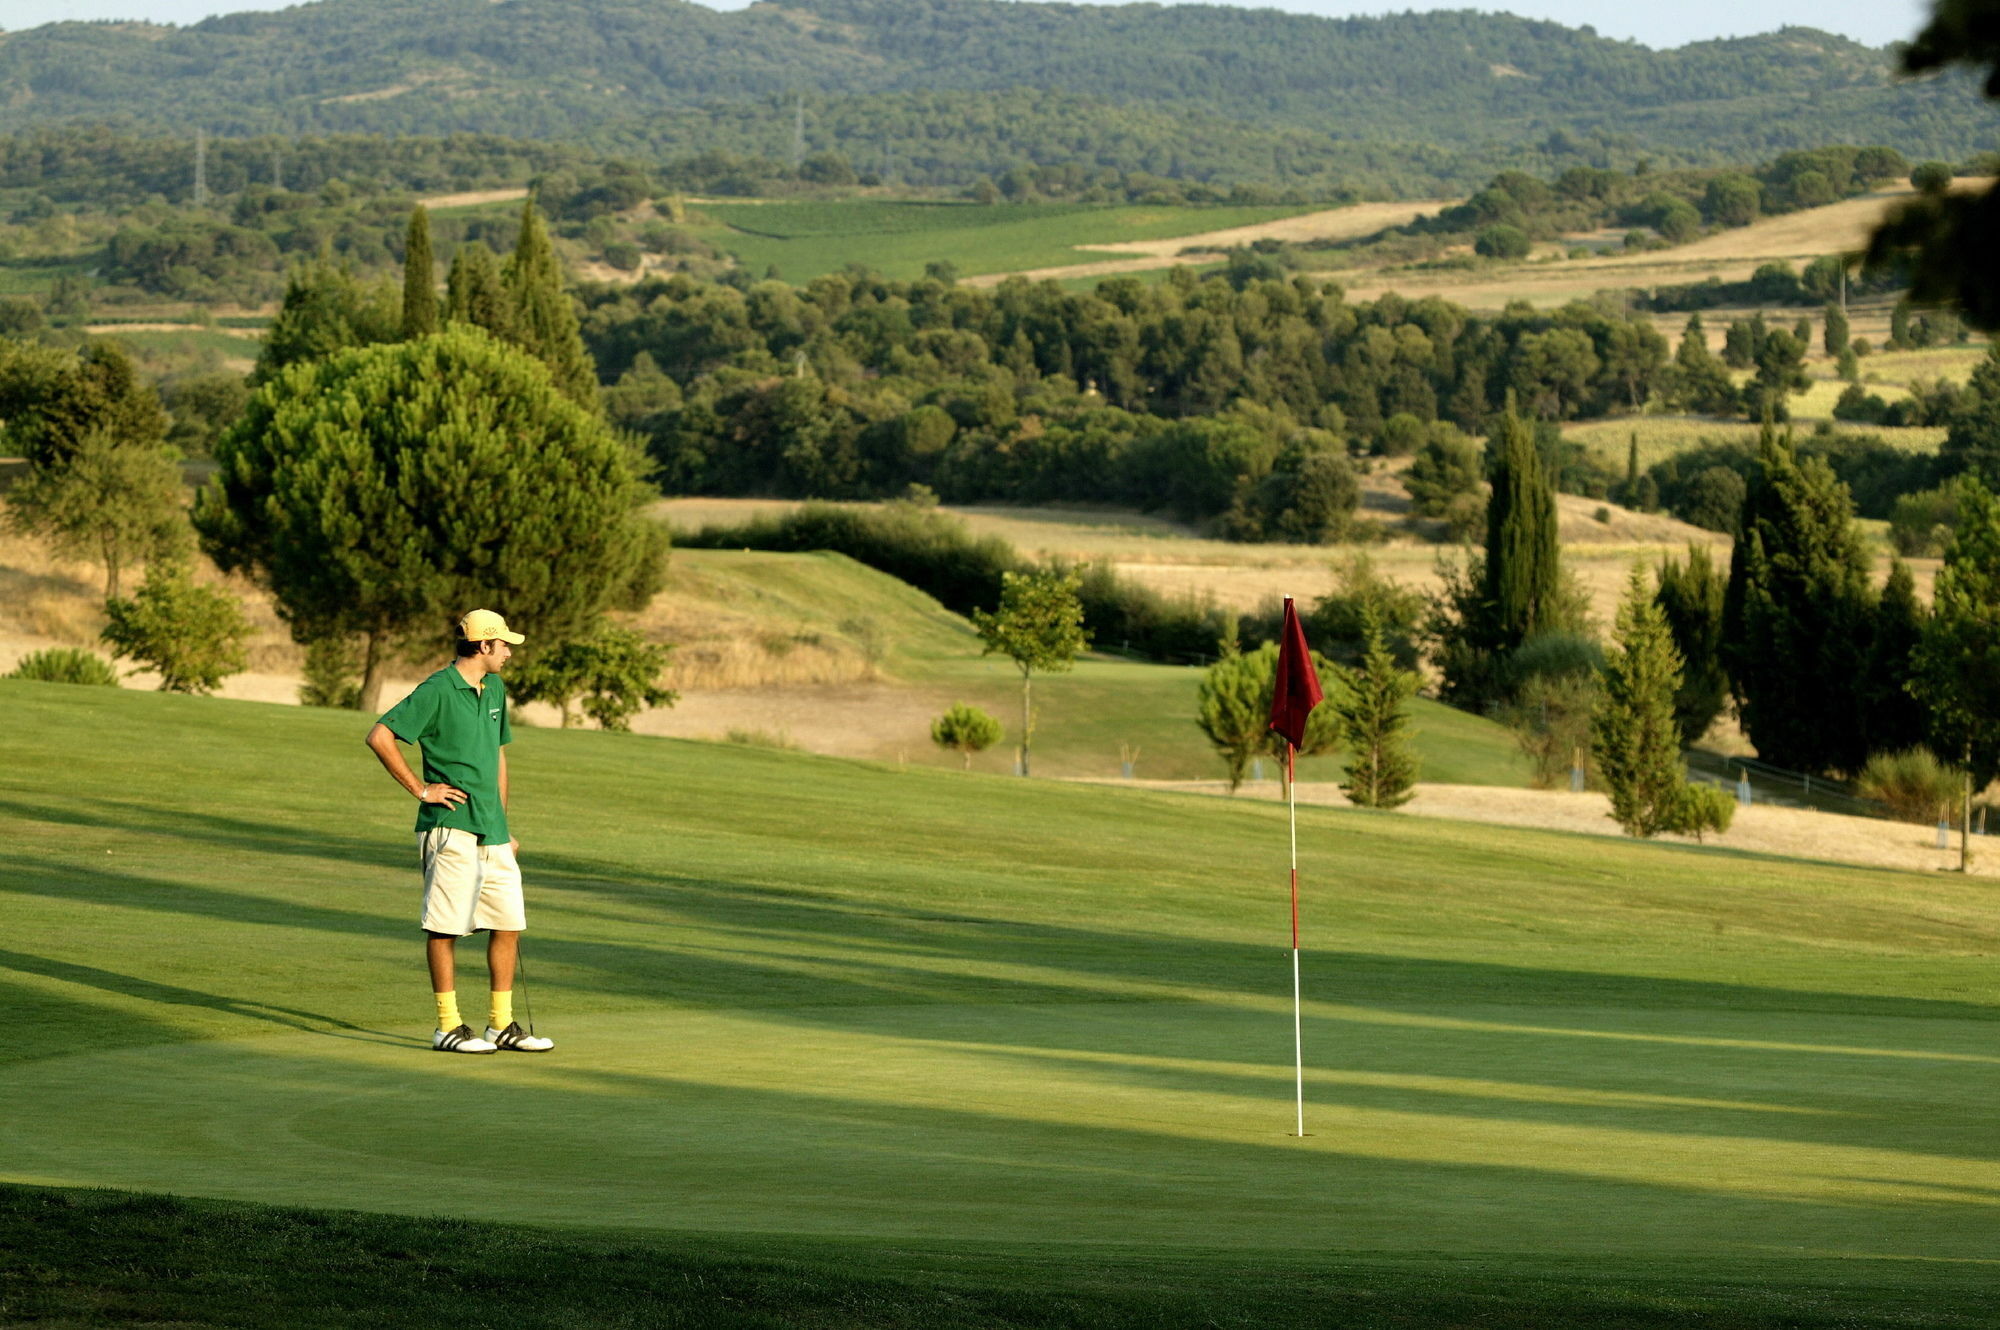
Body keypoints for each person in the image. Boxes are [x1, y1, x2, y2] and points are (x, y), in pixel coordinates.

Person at [364, 609, 554, 1054]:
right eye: (503, 644)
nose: (508, 652)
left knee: (508, 924)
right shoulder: (436, 690)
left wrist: (504, 826)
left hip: (493, 830)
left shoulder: (495, 688)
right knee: (446, 927)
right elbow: (380, 736)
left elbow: (497, 758)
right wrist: (421, 789)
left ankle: (500, 1025)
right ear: (483, 646)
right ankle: (447, 1026)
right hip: (450, 826)